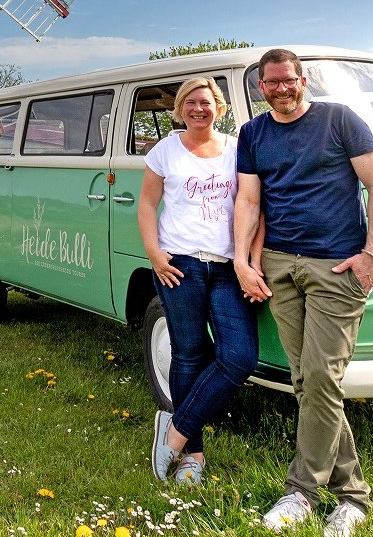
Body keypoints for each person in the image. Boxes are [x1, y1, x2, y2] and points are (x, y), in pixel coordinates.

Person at [232, 48, 373, 537]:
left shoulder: (340, 120)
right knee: (307, 381)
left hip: (336, 268)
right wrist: (243, 259)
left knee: (322, 376)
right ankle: (353, 497)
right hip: (280, 266)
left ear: (303, 80)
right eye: (270, 83)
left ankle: (302, 491)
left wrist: (372, 255)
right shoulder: (253, 133)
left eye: (287, 80)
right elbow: (249, 198)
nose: (280, 89)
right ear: (261, 87)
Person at [137, 77, 258, 486]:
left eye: (205, 102)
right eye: (190, 102)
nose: (198, 108)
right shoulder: (164, 150)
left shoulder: (237, 149)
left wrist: (248, 260)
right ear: (180, 109)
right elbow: (147, 204)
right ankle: (194, 456)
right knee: (188, 354)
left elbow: (253, 203)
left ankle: (173, 432)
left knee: (238, 357)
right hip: (180, 265)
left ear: (219, 108)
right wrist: (155, 255)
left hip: (226, 265)